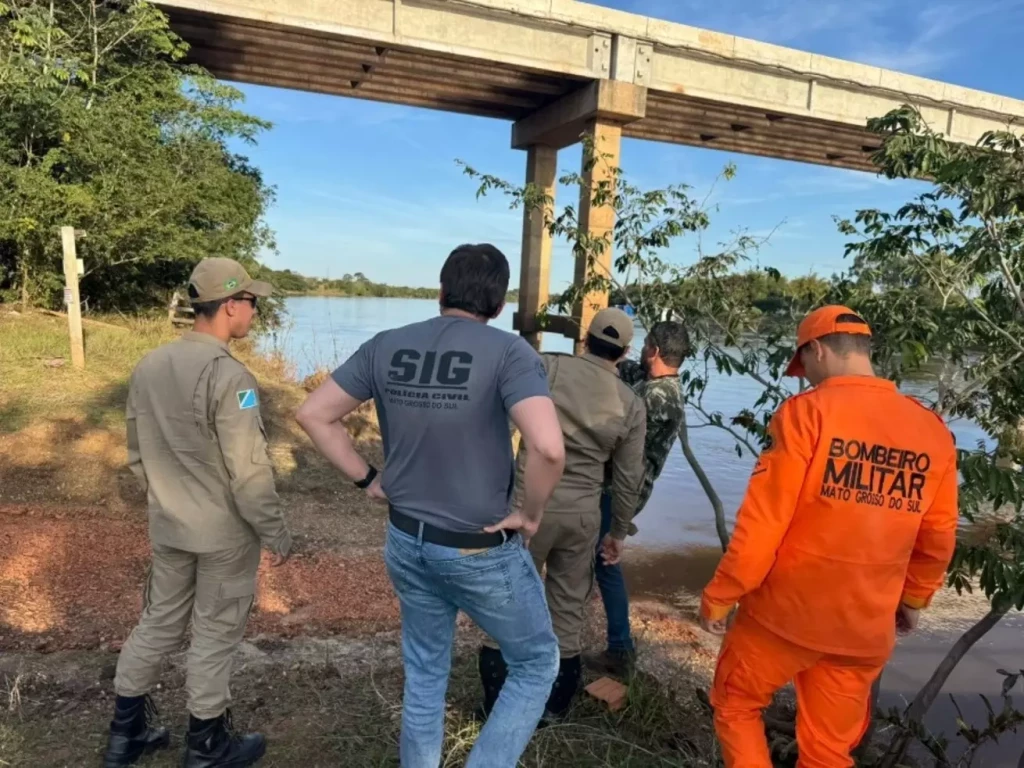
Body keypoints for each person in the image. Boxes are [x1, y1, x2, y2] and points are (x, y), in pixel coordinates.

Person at [295, 244, 565, 768]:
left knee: (424, 673)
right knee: (536, 662)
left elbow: (313, 414)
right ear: (499, 303)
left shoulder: (386, 344)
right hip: (477, 548)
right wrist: (530, 515)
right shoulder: (510, 353)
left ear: (441, 291)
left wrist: (367, 478)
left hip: (406, 538)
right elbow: (549, 448)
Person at [698, 305, 959, 768]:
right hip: (863, 627)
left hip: (783, 617)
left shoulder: (806, 414)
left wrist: (722, 595)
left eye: (804, 366)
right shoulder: (932, 431)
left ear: (816, 350)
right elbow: (937, 536)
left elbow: (763, 523)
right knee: (828, 750)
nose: (806, 379)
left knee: (736, 705)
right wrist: (914, 600)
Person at [104, 258, 292, 768]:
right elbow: (249, 472)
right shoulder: (230, 377)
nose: (254, 311)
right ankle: (206, 746)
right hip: (223, 535)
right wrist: (275, 531)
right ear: (230, 306)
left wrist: (165, 500)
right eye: (251, 302)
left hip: (169, 525)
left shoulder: (150, 364)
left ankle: (125, 736)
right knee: (214, 634)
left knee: (158, 622)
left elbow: (137, 453)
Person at [477, 307, 647, 722]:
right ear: (625, 353)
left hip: (528, 506)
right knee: (567, 610)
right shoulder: (631, 403)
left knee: (507, 600)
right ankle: (553, 707)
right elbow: (629, 478)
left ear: (585, 340)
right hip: (582, 516)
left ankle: (495, 704)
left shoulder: (547, 367)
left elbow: (496, 416)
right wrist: (618, 531)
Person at [586, 319, 691, 676]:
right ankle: (613, 643)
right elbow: (625, 367)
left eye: (647, 345)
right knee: (595, 557)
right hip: (617, 485)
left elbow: (615, 433)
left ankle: (620, 649)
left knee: (604, 561)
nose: (643, 351)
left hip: (621, 490)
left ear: (655, 351)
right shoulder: (654, 382)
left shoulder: (659, 397)